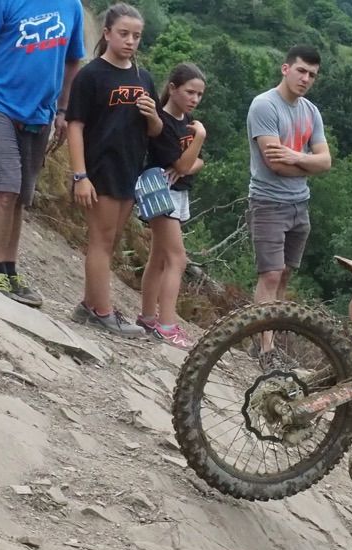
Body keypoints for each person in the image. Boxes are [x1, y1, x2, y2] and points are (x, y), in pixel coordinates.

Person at [0, 0, 86, 307]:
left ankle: (10, 270)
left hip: (39, 113)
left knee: (20, 196)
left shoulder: (72, 5)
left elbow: (72, 61)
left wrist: (63, 109)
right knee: (4, 188)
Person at [65, 3, 161, 337]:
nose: (130, 41)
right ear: (107, 33)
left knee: (112, 240)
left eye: (136, 36)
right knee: (101, 240)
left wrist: (153, 115)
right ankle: (102, 312)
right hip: (99, 168)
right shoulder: (91, 75)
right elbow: (75, 125)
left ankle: (88, 305)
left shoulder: (143, 77)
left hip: (129, 169)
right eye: (123, 34)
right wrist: (80, 175)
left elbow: (155, 131)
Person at [246, 45, 331, 367]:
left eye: (312, 75)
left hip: (299, 203)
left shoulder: (311, 111)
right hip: (268, 201)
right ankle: (265, 349)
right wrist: (309, 163)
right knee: (269, 275)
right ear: (285, 69)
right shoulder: (264, 105)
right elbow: (275, 165)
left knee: (283, 277)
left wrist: (295, 156)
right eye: (301, 71)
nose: (306, 79)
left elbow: (326, 161)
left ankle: (266, 340)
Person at [137, 63, 206, 349]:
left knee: (159, 258)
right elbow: (184, 163)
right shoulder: (163, 123)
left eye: (199, 95)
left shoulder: (187, 120)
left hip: (177, 193)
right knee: (177, 259)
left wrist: (187, 164)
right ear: (173, 88)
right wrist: (199, 139)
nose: (195, 99)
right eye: (190, 92)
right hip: (160, 192)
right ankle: (166, 325)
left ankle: (147, 317)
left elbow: (197, 163)